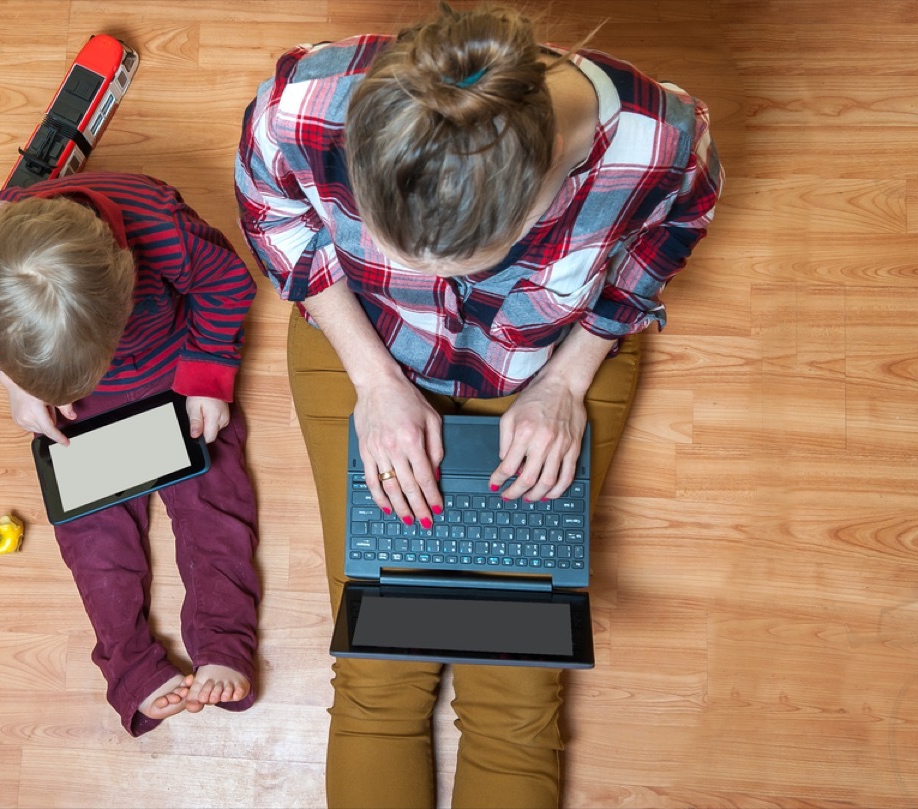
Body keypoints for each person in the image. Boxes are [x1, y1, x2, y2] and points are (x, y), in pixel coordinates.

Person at [236, 3, 722, 806]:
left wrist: (567, 381)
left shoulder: (659, 138)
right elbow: (273, 214)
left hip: (554, 362)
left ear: (542, 195)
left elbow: (675, 229)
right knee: (378, 671)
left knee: (517, 695)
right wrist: (375, 379)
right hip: (362, 346)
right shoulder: (302, 101)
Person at [0, 172, 261, 737]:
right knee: (93, 537)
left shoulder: (162, 225)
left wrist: (209, 376)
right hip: (81, 408)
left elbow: (228, 285)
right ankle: (131, 668)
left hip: (174, 378)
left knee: (215, 502)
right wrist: (13, 383)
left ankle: (223, 641)